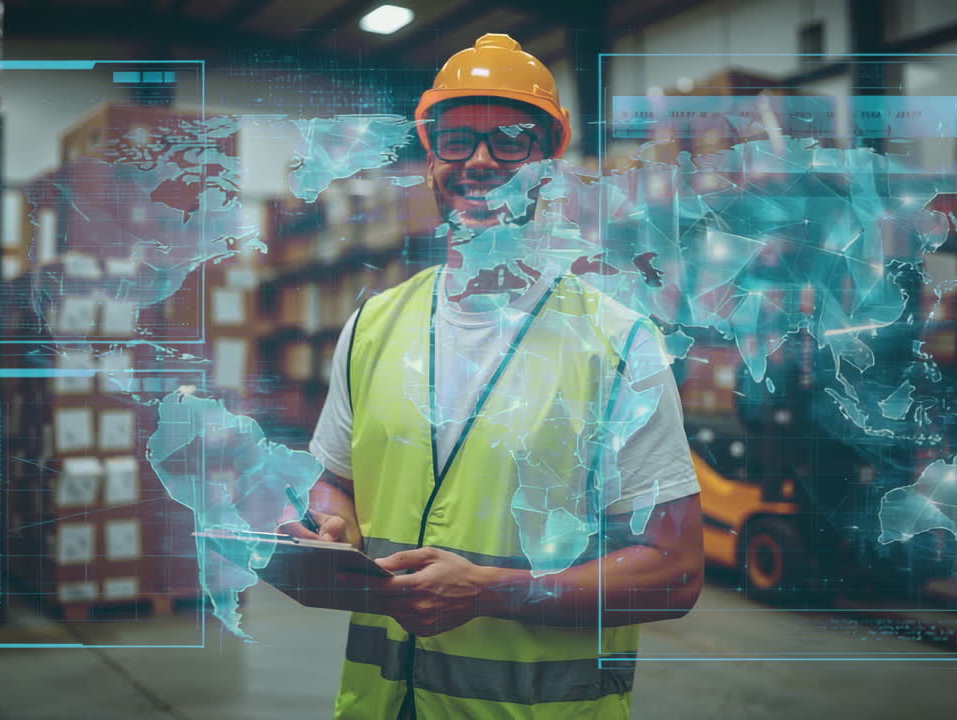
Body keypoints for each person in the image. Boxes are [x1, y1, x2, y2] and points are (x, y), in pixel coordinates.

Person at [282, 33, 703, 719]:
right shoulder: (373, 325)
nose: (479, 161)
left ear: (548, 168)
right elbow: (337, 479)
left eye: (510, 141)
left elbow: (675, 572)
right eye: (457, 140)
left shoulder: (619, 345)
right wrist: (330, 524)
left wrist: (488, 591)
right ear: (431, 161)